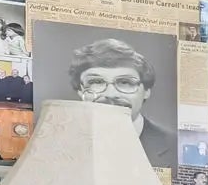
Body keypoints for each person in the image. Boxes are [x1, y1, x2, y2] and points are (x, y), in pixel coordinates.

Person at [67, 37, 175, 166]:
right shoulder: (58, 144)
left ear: (146, 91)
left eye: (125, 82)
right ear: (80, 90)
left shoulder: (176, 147)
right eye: (96, 82)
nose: (111, 94)